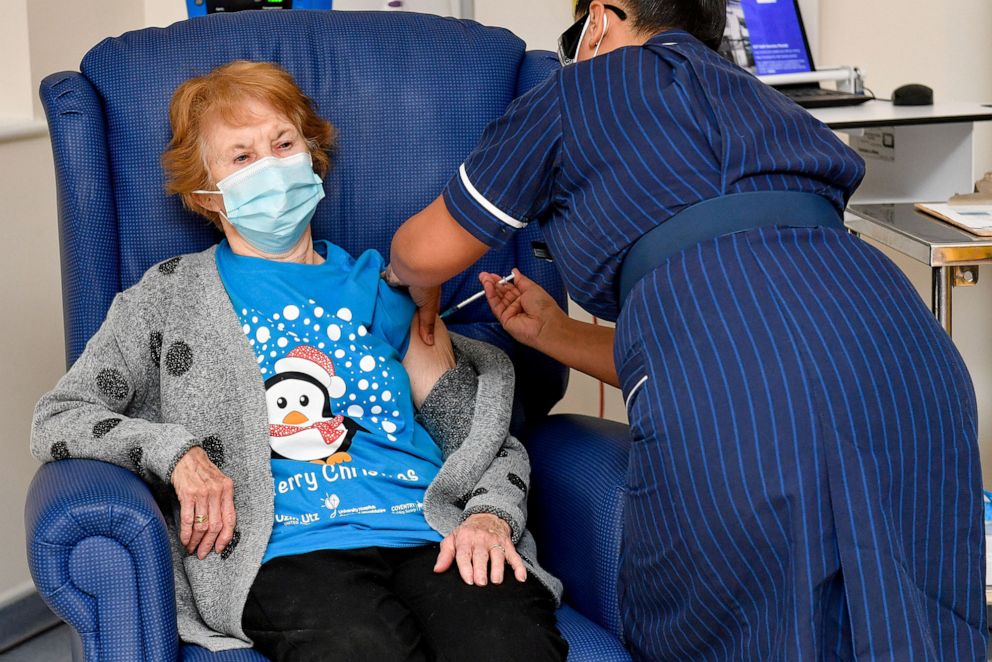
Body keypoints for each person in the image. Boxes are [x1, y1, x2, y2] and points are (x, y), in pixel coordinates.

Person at [386, 1, 987, 660]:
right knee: (915, 625)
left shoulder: (577, 92)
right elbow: (759, 330)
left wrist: (396, 283)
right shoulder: (766, 103)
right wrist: (554, 334)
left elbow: (424, 253)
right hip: (903, 350)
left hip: (740, 383)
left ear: (602, 18)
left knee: (740, 628)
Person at [31, 60, 567, 662]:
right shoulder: (167, 298)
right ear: (206, 194)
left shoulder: (383, 289)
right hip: (286, 549)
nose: (270, 167)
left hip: (428, 529)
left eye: (283, 143)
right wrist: (174, 452)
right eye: (240, 157)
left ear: (312, 155)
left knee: (511, 645)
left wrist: (490, 516)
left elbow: (478, 436)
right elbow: (60, 417)